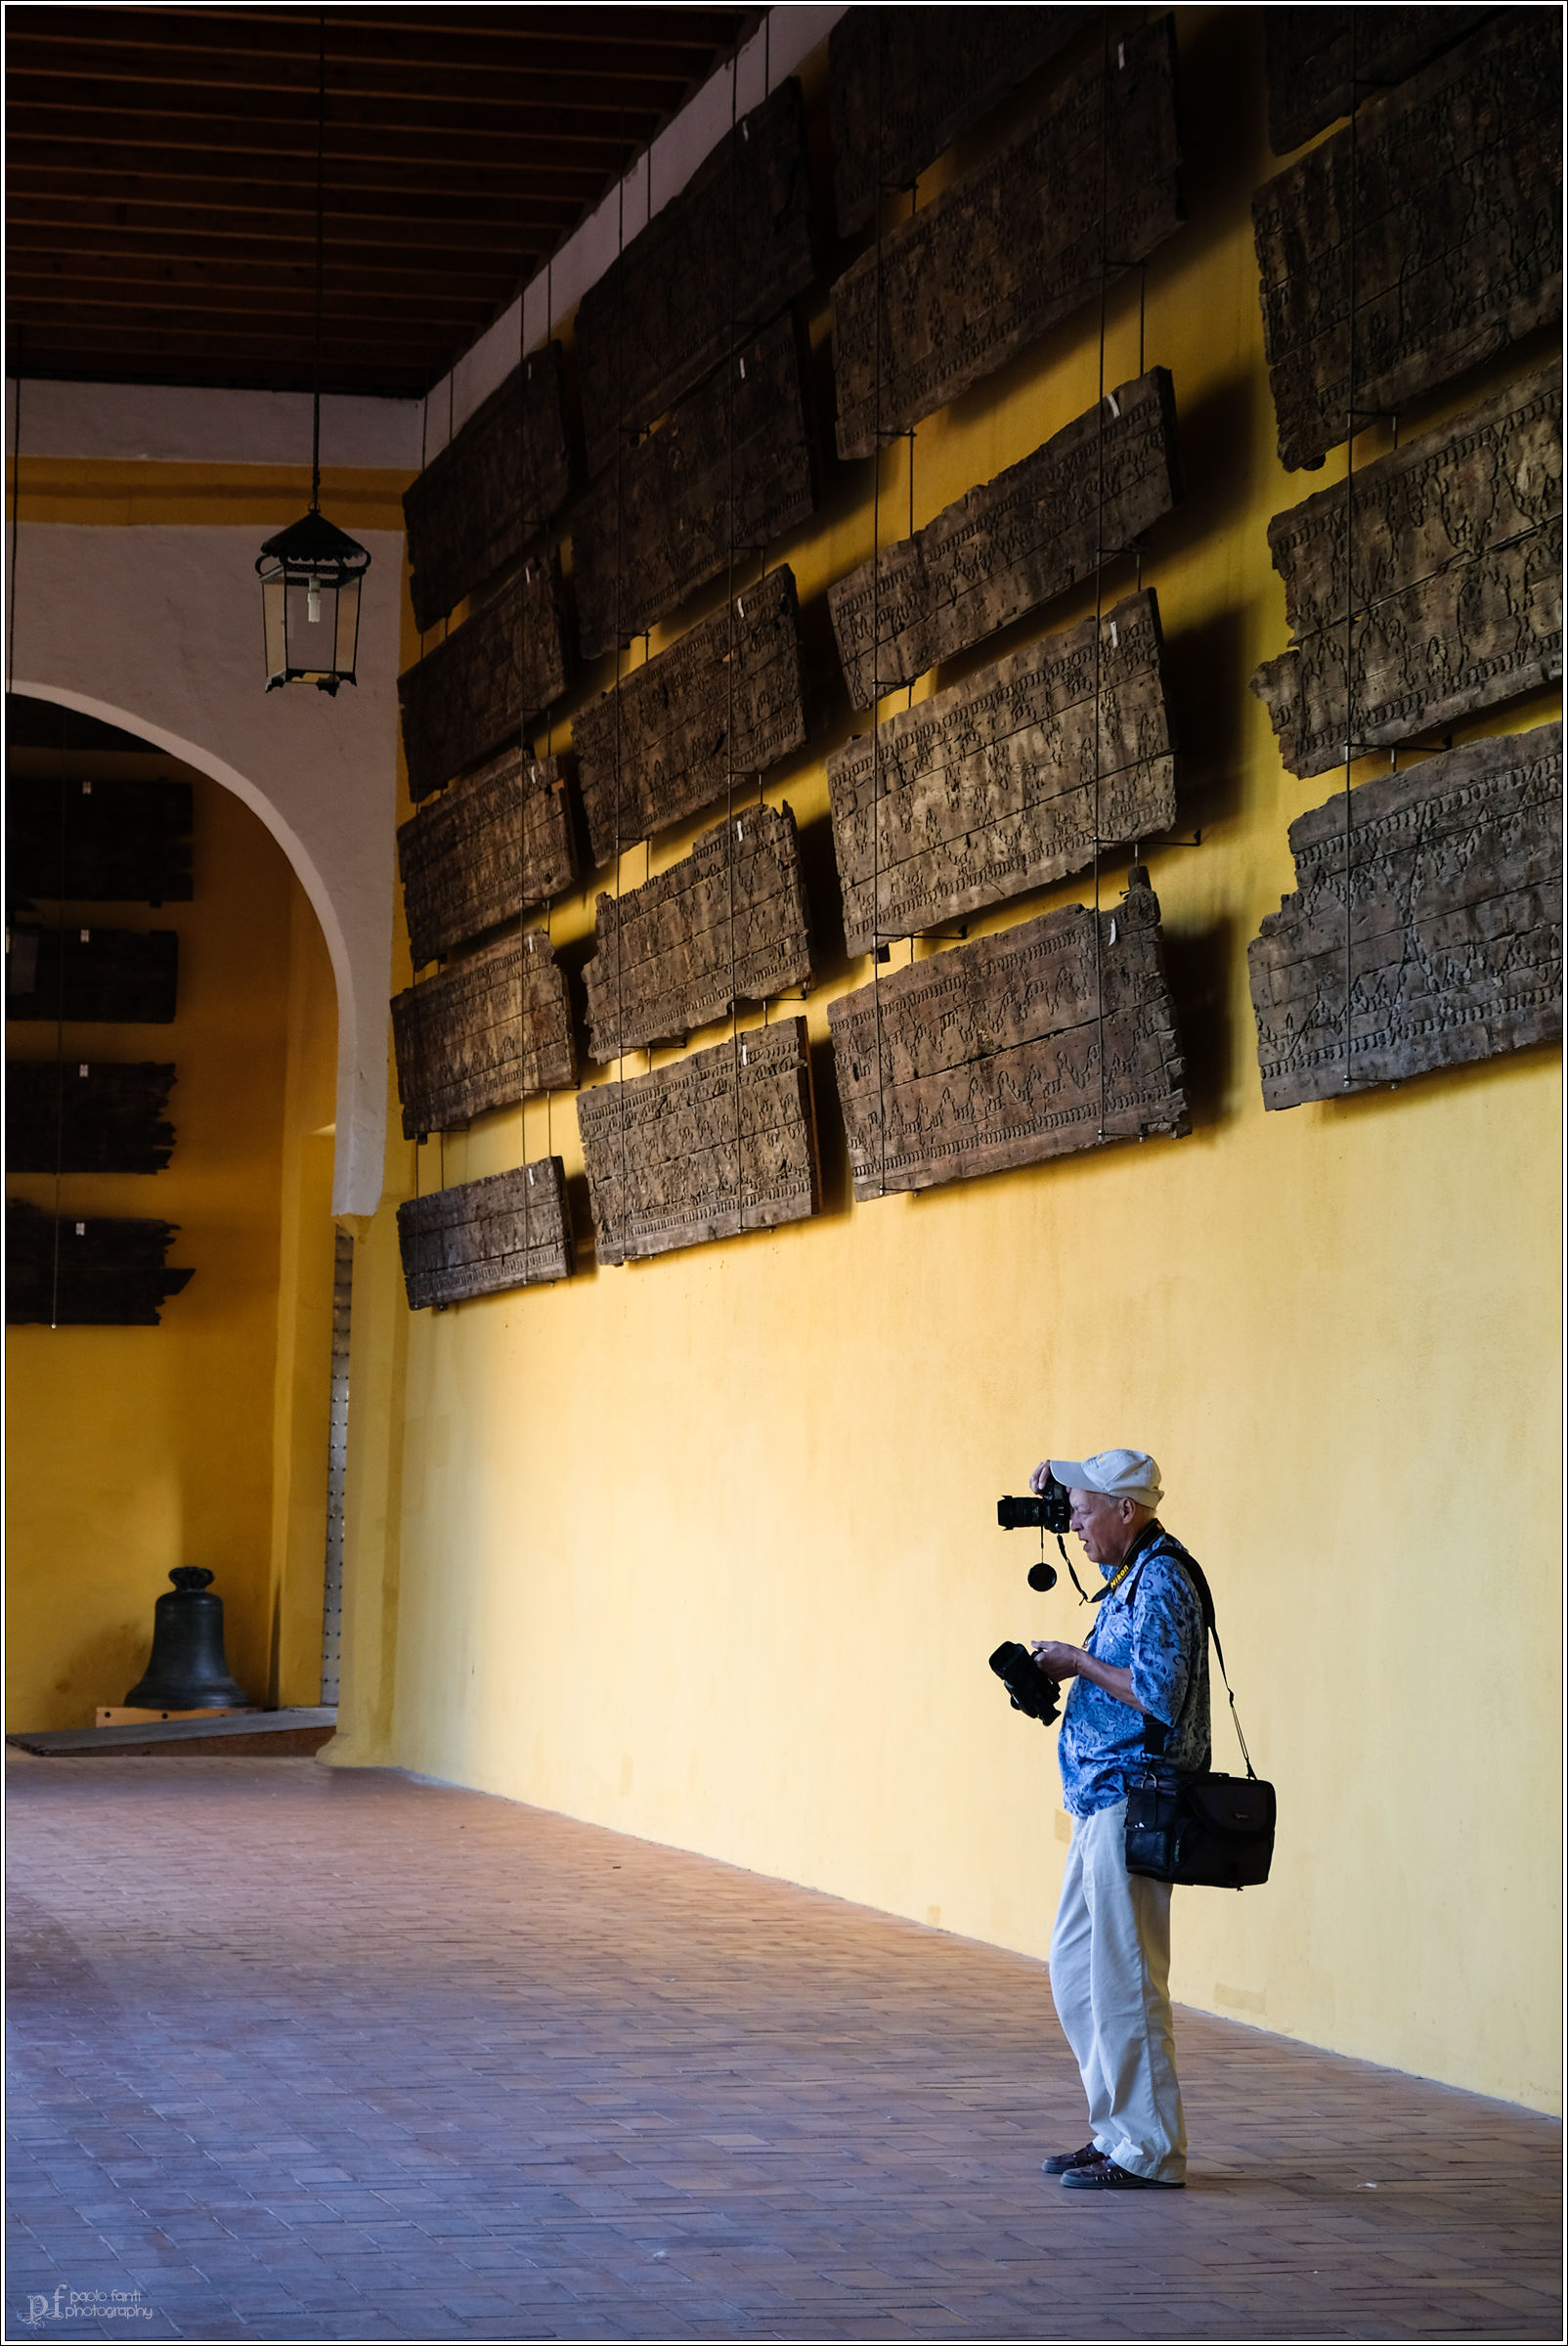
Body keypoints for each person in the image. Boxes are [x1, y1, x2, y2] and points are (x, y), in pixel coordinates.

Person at [1025, 1448, 1209, 2192]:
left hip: (1137, 1802)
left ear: (1127, 1511)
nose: (1074, 1525)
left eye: (1085, 1511)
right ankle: (1118, 2133)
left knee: (1126, 1982)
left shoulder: (1160, 1578)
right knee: (1079, 1974)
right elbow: (1079, 1509)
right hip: (1100, 1803)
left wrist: (1075, 1660)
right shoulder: (1130, 1573)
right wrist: (1053, 1482)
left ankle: (1149, 2150)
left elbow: (1160, 1694)